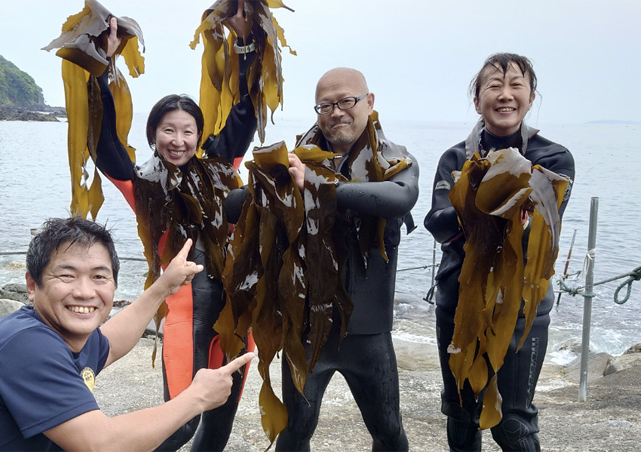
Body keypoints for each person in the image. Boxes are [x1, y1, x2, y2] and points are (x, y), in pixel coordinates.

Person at [0, 217, 254, 451]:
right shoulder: (25, 345)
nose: (84, 292)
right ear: (32, 285)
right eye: (67, 275)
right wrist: (196, 397)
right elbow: (101, 445)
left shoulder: (60, 334)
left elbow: (110, 343)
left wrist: (163, 287)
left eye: (99, 277)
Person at [91, 8, 257, 451]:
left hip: (235, 313)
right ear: (153, 135)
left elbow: (245, 112)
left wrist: (246, 43)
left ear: (200, 135)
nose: (178, 140)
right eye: (168, 130)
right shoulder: (141, 185)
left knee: (218, 426)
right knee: (180, 424)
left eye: (188, 131)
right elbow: (104, 140)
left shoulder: (222, 169)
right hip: (185, 316)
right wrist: (102, 66)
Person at [424, 53, 575, 451]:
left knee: (513, 423)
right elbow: (437, 222)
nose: (505, 94)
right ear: (478, 101)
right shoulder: (455, 159)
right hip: (458, 302)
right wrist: (489, 209)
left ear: (531, 97)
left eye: (516, 85)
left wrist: (473, 207)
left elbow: (537, 233)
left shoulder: (553, 158)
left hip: (521, 308)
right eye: (494, 85)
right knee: (461, 414)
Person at [273, 67, 419, 451]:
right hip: (307, 333)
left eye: (346, 101)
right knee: (295, 431)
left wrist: (319, 187)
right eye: (326, 105)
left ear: (369, 103)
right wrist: (271, 178)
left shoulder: (396, 161)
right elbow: (235, 207)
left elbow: (402, 198)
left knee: (388, 430)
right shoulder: (293, 163)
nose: (336, 112)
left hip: (369, 334)